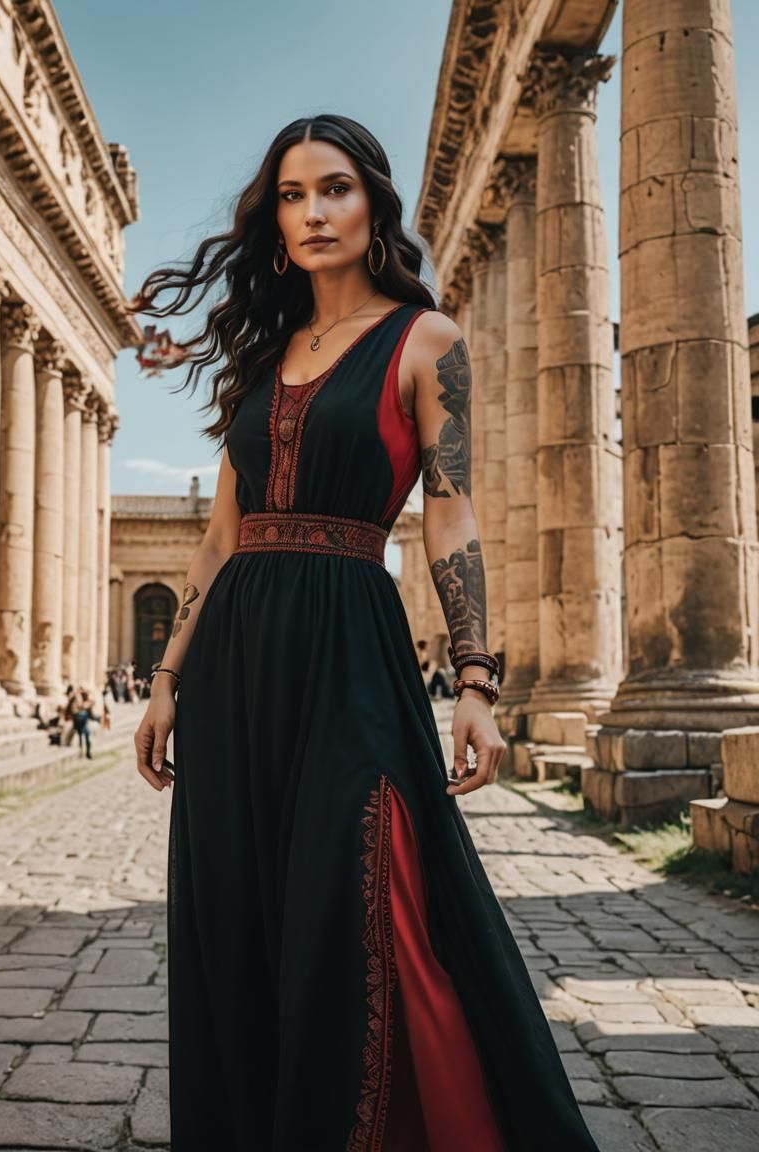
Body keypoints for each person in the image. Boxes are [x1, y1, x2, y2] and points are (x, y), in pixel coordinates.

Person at [132, 114, 599, 1151]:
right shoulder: (260, 354)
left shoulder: (425, 340)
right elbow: (218, 539)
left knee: (366, 884)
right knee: (238, 912)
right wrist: (168, 679)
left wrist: (474, 678)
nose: (312, 213)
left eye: (333, 189)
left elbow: (448, 510)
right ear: (274, 221)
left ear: (371, 201)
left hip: (349, 640)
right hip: (238, 659)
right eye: (291, 196)